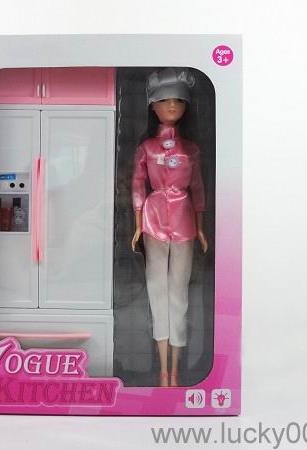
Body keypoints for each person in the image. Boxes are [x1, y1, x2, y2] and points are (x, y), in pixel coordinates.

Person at [131, 68, 208, 387]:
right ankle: (162, 370)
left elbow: (199, 187)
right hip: (153, 220)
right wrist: (138, 223)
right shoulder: (147, 147)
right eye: (164, 100)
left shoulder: (191, 149)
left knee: (180, 294)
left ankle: (176, 370)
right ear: (153, 105)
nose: (172, 105)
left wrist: (201, 226)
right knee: (156, 290)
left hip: (184, 220)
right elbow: (137, 184)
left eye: (178, 100)